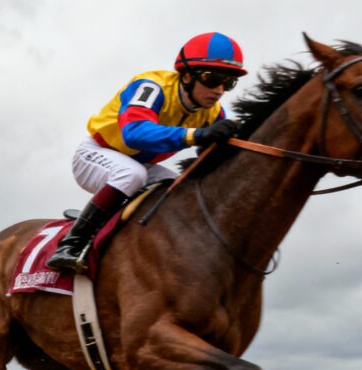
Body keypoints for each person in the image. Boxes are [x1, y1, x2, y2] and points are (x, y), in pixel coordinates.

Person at [47, 32, 247, 273]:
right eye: (212, 79)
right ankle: (71, 245)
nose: (219, 90)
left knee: (180, 189)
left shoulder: (213, 112)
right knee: (132, 174)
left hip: (140, 165)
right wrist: (196, 134)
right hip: (95, 154)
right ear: (186, 76)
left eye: (229, 83)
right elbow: (134, 133)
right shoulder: (152, 86)